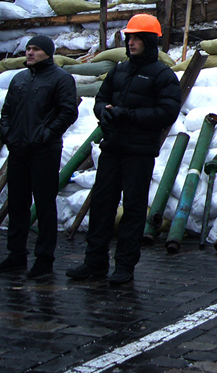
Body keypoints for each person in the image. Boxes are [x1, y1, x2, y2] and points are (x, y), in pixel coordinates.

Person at [66, 14, 181, 285]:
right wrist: (102, 112)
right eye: (129, 37)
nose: (131, 42)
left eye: (137, 38)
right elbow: (101, 98)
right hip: (112, 148)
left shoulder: (162, 75)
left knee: (133, 208)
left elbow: (167, 112)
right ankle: (94, 262)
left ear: (149, 41)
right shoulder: (119, 70)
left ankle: (125, 266)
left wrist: (128, 115)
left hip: (139, 152)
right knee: (102, 205)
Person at [0, 36, 77, 280]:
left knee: (44, 205)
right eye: (28, 49)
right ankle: (16, 254)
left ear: (48, 53)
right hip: (18, 150)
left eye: (36, 49)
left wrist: (45, 135)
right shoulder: (19, 79)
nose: (30, 53)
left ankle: (44, 258)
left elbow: (68, 112)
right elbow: (6, 111)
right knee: (17, 203)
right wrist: (8, 134)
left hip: (44, 151)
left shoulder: (61, 78)